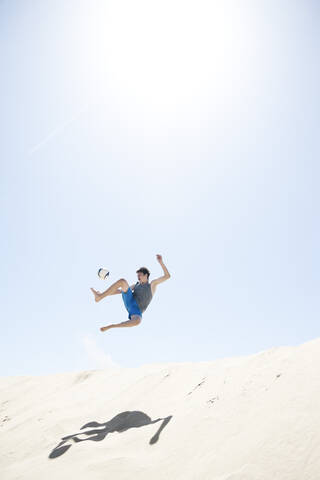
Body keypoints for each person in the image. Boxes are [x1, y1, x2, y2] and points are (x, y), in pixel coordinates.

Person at [90, 254, 171, 332]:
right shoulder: (136, 285)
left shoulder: (152, 285)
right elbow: (120, 291)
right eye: (137, 275)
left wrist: (161, 262)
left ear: (146, 275)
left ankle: (112, 326)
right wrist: (104, 294)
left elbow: (167, 276)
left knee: (138, 321)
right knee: (122, 281)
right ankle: (99, 296)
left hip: (136, 310)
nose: (138, 277)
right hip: (130, 300)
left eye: (140, 275)